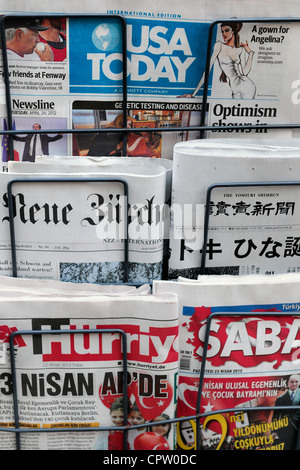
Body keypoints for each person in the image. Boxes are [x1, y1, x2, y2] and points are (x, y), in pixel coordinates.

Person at [182, 21, 256, 99]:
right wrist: (193, 94)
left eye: (227, 30)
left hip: (248, 87)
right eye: (222, 31)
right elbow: (207, 71)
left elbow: (244, 73)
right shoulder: (219, 45)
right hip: (235, 90)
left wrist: (251, 53)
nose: (224, 34)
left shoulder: (240, 49)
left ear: (233, 31)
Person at [272, 374, 300, 450]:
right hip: (286, 430)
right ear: (288, 383)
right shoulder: (280, 399)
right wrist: (274, 430)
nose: (294, 384)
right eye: (292, 382)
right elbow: (276, 416)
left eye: (296, 381)